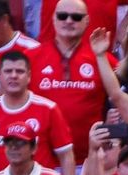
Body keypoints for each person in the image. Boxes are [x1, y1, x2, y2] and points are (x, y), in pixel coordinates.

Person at [0, 51, 75, 175]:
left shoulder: (48, 109)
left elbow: (66, 156)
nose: (13, 76)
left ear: (29, 76)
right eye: (8, 71)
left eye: (19, 71)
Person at [26, 0, 107, 164]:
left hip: (88, 162)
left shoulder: (102, 58)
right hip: (41, 164)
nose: (68, 21)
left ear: (87, 21)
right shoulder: (30, 58)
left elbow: (119, 96)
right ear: (53, 19)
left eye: (76, 17)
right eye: (62, 16)